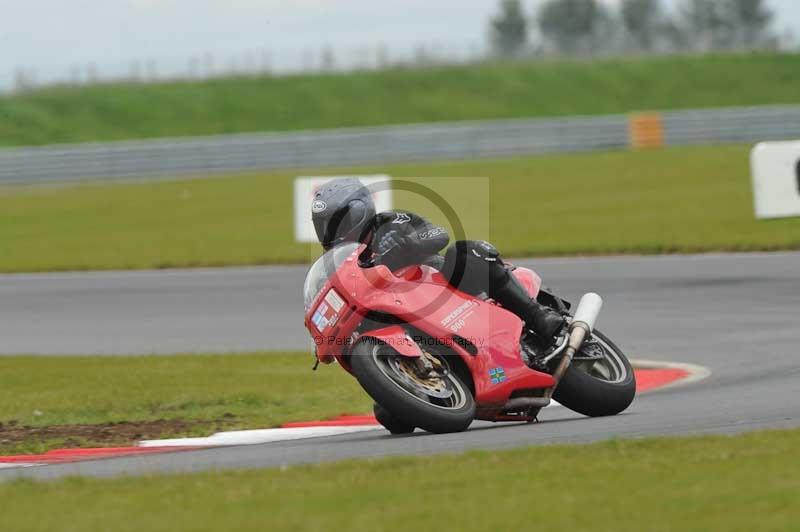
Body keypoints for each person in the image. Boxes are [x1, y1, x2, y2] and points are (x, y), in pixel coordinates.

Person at [310, 178, 565, 345]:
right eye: (323, 225)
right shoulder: (334, 264)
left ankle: (536, 315)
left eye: (337, 221)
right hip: (402, 312)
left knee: (466, 250)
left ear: (359, 210)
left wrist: (409, 245)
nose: (330, 231)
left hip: (441, 286)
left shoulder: (391, 222)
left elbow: (438, 234)